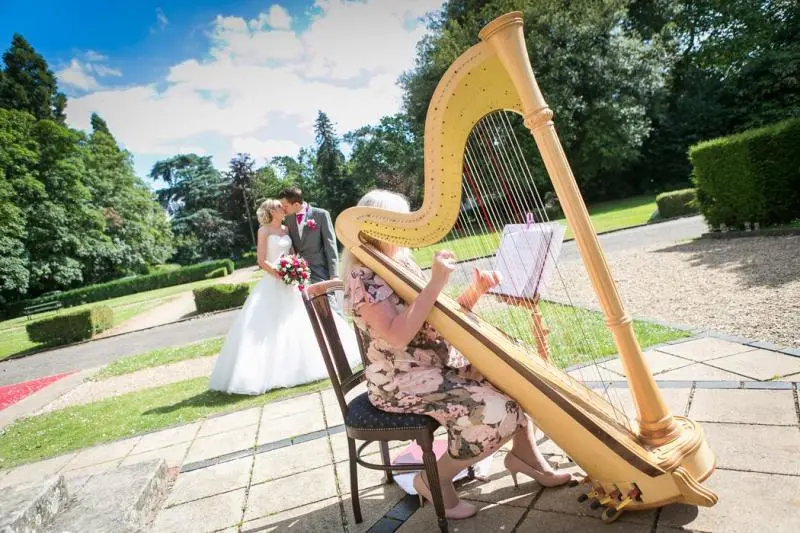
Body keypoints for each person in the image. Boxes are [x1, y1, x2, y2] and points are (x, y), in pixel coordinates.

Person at [340, 190, 570, 520]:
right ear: (377, 227)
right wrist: (435, 282)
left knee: (510, 375)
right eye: (401, 222)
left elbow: (434, 318)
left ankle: (525, 455)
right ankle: (433, 478)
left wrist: (475, 291)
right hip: (399, 380)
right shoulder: (363, 275)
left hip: (434, 365)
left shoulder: (399, 262)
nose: (408, 228)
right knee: (495, 410)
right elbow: (398, 334)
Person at [208, 199, 361, 395]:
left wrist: (296, 270)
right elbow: (261, 260)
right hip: (274, 281)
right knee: (272, 325)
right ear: (271, 211)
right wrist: (281, 274)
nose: (283, 209)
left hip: (292, 282)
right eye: (279, 207)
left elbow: (292, 255)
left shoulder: (286, 229)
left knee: (302, 320)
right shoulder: (263, 231)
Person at [279, 187, 338, 284]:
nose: (283, 209)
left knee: (327, 294)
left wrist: (334, 274)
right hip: (299, 273)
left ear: (296, 204)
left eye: (285, 206)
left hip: (321, 270)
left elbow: (330, 245)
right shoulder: (288, 219)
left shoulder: (321, 215)